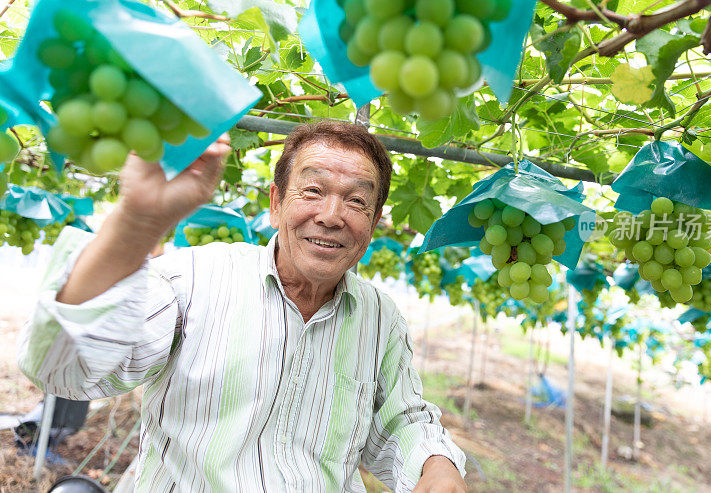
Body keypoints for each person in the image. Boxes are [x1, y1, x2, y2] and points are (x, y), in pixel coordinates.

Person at [18, 121, 467, 492]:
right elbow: (67, 369)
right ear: (275, 203)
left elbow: (401, 418)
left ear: (371, 225)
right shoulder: (192, 279)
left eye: (356, 201)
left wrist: (436, 463)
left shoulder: (381, 317)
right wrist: (136, 223)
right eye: (312, 191)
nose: (332, 215)